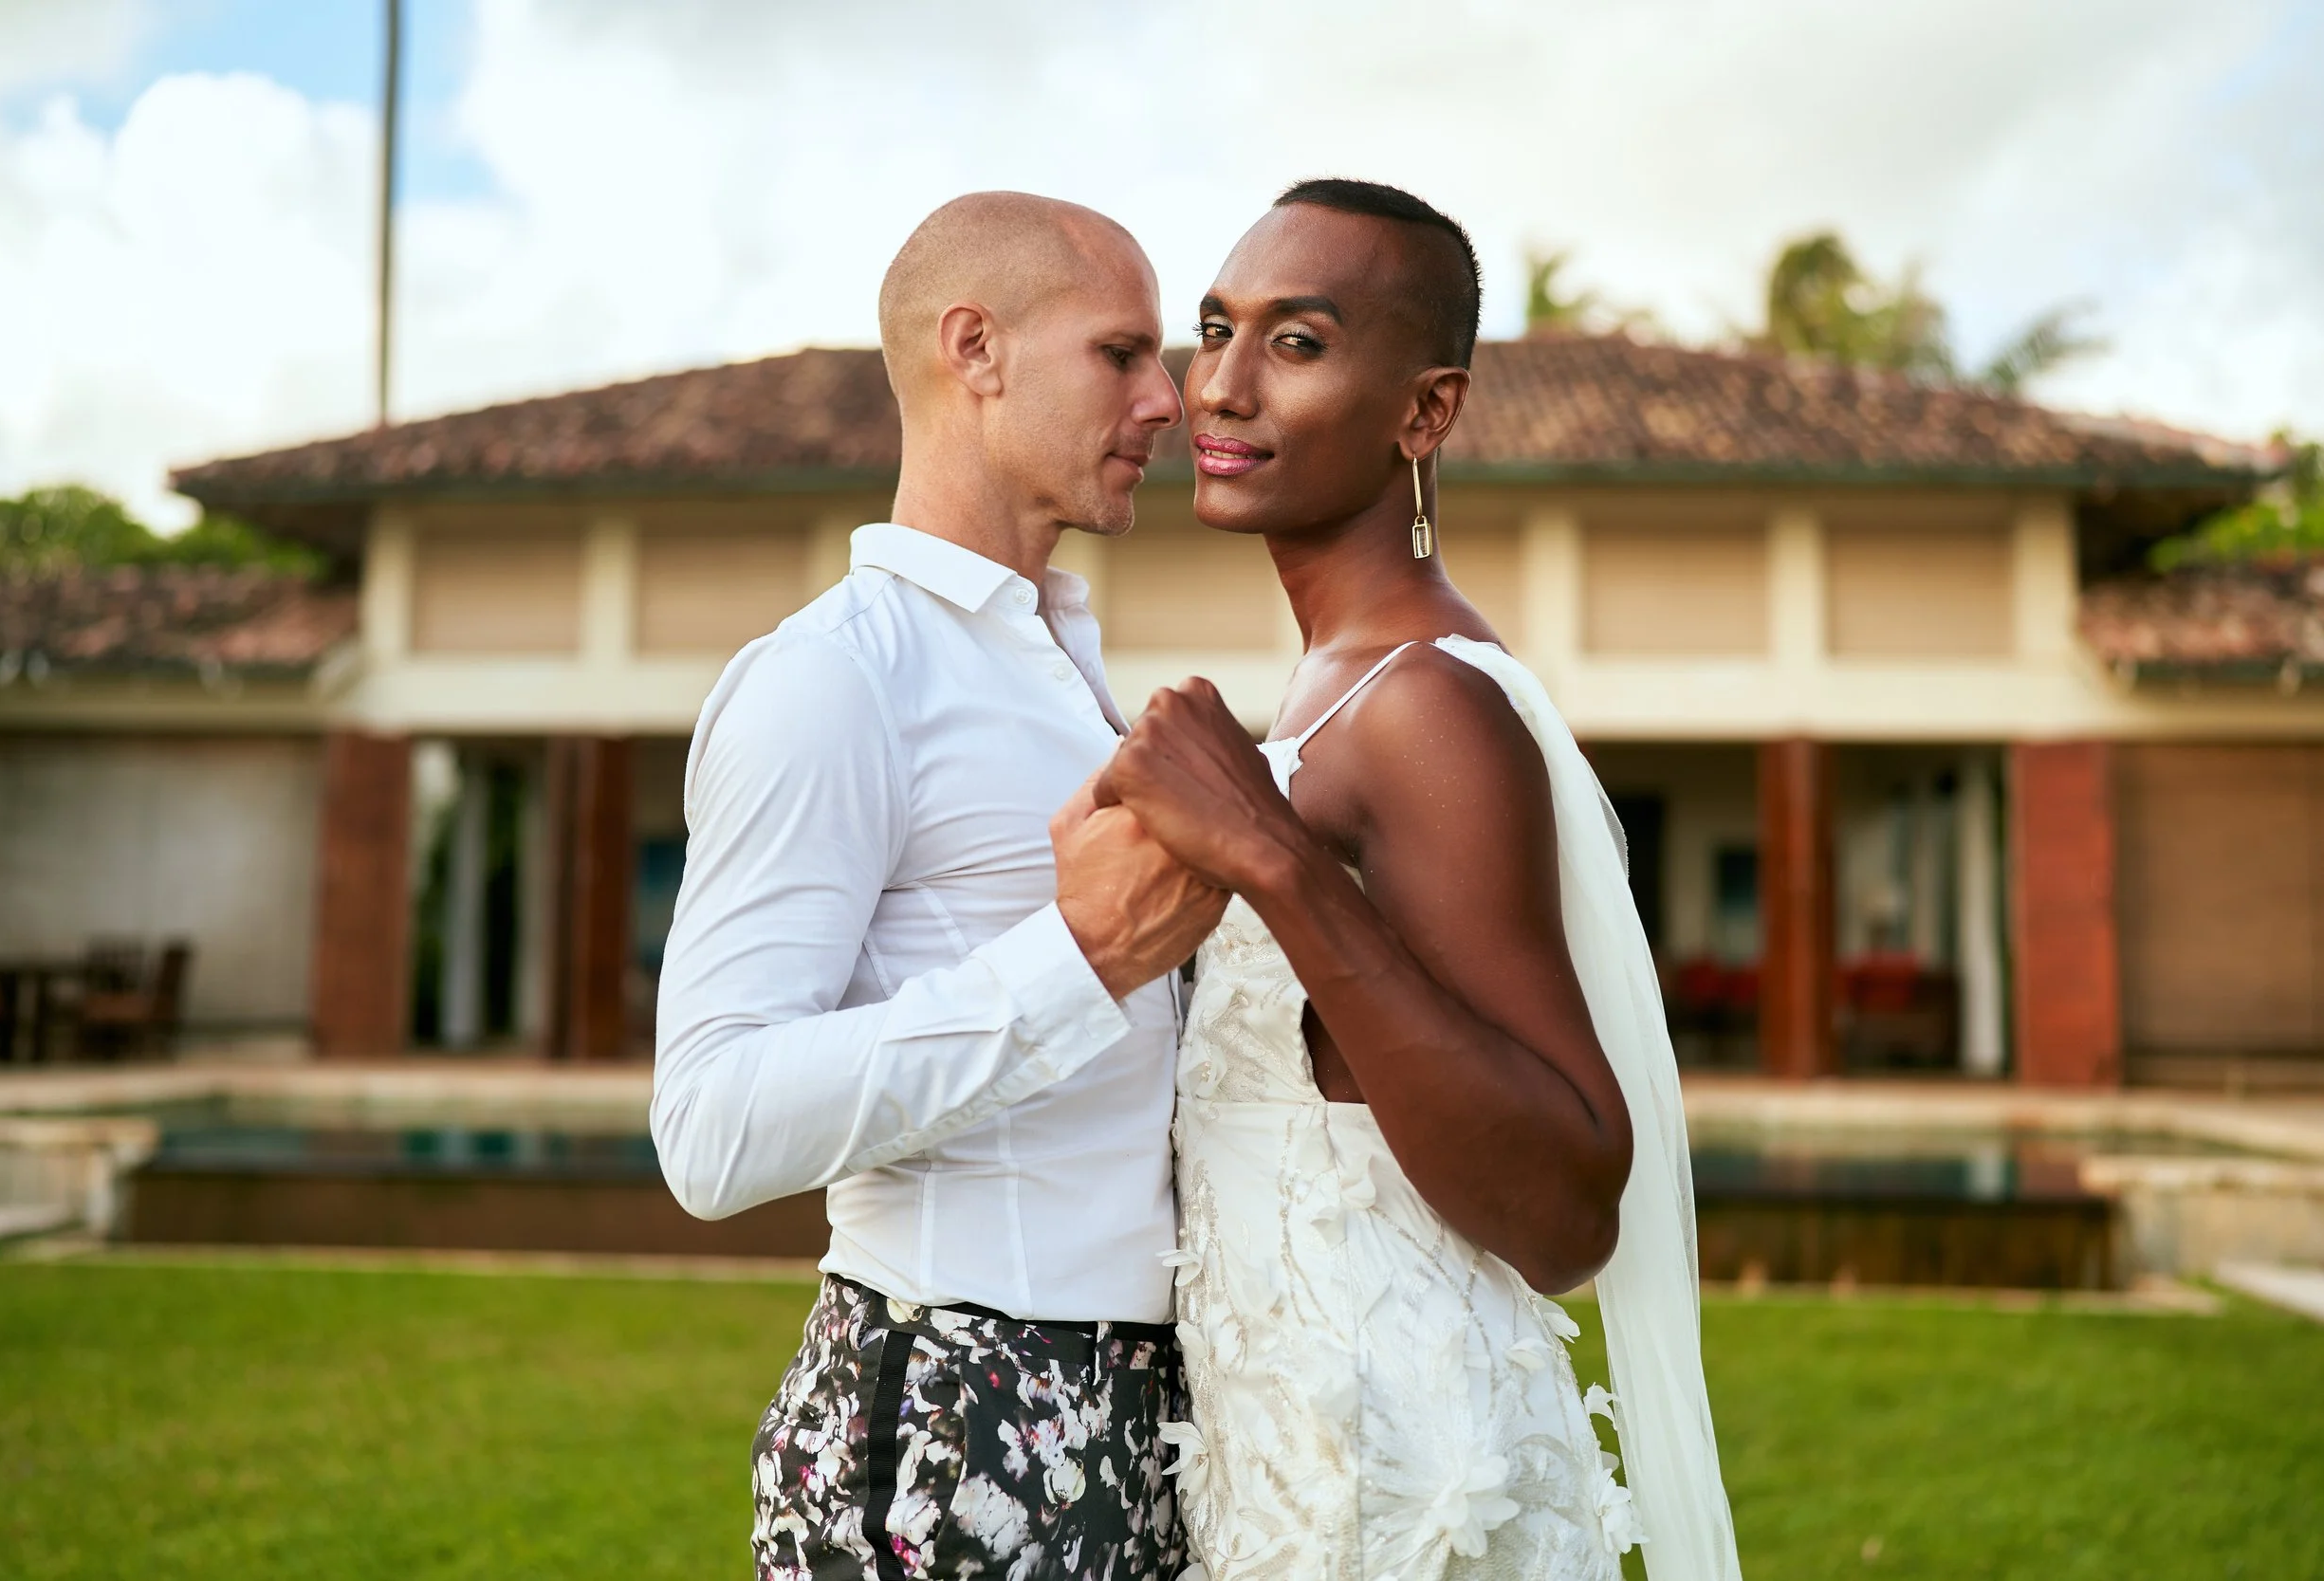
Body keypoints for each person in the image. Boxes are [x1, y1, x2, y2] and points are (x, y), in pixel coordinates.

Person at [1097, 180, 1743, 1579]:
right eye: (1215, 329)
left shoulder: (1424, 705)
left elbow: (1571, 1200)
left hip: (1392, 1493)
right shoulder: (1332, 684)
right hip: (1288, 1456)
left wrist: (1272, 861)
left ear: (1426, 411)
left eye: (1299, 341)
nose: (1219, 384)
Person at [652, 192, 1226, 1581]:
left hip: (1144, 1409)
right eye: (1121, 353)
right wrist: (1072, 963)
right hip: (955, 1408)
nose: (1168, 399)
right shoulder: (831, 678)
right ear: (977, 348)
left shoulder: (1065, 667)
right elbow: (711, 1125)